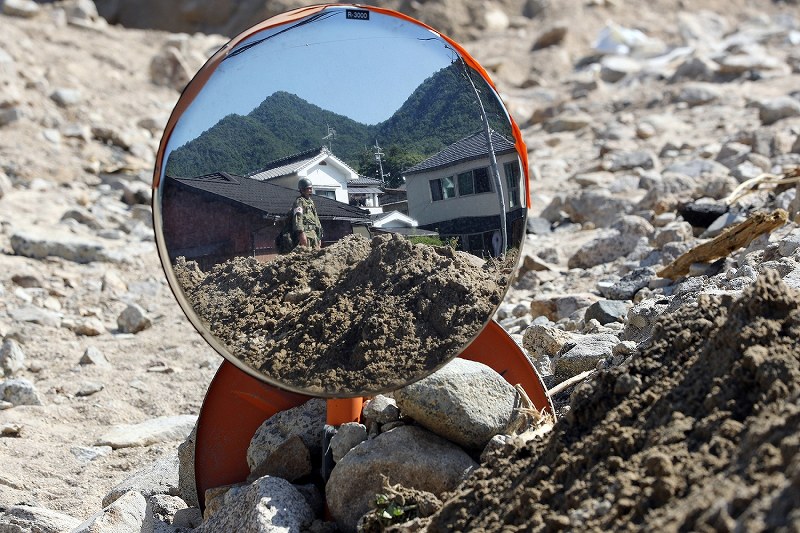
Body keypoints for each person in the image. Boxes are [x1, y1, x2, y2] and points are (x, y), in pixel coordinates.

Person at [292, 178, 322, 249]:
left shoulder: (311, 202)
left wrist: (319, 235)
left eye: (310, 188)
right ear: (302, 190)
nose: (310, 190)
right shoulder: (299, 202)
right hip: (306, 234)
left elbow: (316, 219)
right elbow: (298, 218)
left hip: (314, 234)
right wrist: (301, 234)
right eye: (307, 189)